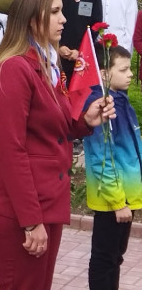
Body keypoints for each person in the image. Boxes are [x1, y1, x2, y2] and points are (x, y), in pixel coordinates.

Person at [0, 0, 115, 290]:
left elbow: (48, 128)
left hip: (45, 200)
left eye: (62, 11)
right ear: (31, 19)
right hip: (21, 208)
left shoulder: (45, 64)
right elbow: (12, 150)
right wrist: (30, 220)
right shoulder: (15, 68)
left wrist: (84, 122)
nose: (64, 19)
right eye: (55, 12)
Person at [84, 45, 142, 289]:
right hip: (112, 199)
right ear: (105, 74)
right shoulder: (102, 105)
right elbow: (101, 156)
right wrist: (118, 202)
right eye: (124, 69)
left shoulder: (120, 101)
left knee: (115, 257)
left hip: (125, 196)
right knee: (104, 259)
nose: (130, 74)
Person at [59, 0, 103, 83]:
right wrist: (59, 46)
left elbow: (96, 25)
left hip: (83, 53)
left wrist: (80, 50)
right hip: (61, 52)